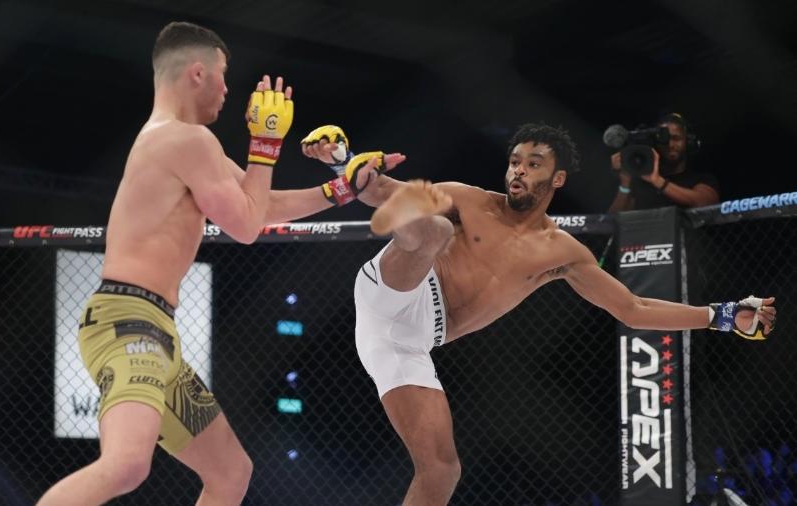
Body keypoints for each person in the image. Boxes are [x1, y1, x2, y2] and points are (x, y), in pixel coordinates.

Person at [303, 122, 776, 506]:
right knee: (428, 230)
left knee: (443, 470)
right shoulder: (467, 199)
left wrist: (721, 315)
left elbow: (633, 309)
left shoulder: (561, 252)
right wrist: (349, 168)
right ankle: (348, 164)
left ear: (558, 179)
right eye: (514, 162)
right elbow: (387, 191)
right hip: (393, 289)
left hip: (412, 342)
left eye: (533, 165)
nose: (518, 172)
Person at [37, 22, 400, 505]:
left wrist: (342, 189)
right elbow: (245, 226)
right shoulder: (185, 140)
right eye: (224, 75)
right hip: (129, 325)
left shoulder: (184, 144)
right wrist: (265, 146)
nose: (230, 90)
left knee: (230, 472)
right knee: (126, 464)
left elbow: (261, 205)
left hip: (152, 329)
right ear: (197, 72)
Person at [608, 113, 720, 212]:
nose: (670, 145)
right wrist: (625, 183)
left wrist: (658, 181)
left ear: (688, 142)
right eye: (664, 140)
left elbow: (706, 203)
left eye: (676, 138)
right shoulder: (643, 183)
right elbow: (613, 223)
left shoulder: (701, 179)